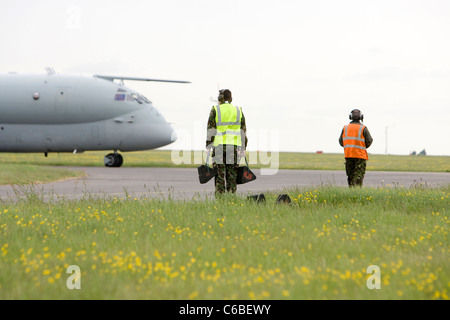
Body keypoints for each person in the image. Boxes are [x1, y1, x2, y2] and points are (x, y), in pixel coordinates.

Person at [206, 89, 247, 196]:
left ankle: (220, 199)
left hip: (219, 146)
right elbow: (243, 131)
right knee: (232, 175)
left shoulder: (216, 109)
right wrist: (243, 148)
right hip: (234, 147)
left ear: (220, 98)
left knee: (219, 175)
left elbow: (211, 129)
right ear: (230, 98)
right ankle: (231, 199)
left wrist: (208, 145)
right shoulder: (238, 110)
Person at [339, 109, 373, 187]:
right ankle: (356, 195)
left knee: (350, 179)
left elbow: (341, 142)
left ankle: (351, 195)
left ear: (350, 117)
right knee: (358, 178)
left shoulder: (345, 128)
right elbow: (369, 141)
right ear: (361, 117)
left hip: (348, 155)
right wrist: (361, 147)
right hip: (360, 157)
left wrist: (349, 147)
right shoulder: (363, 128)